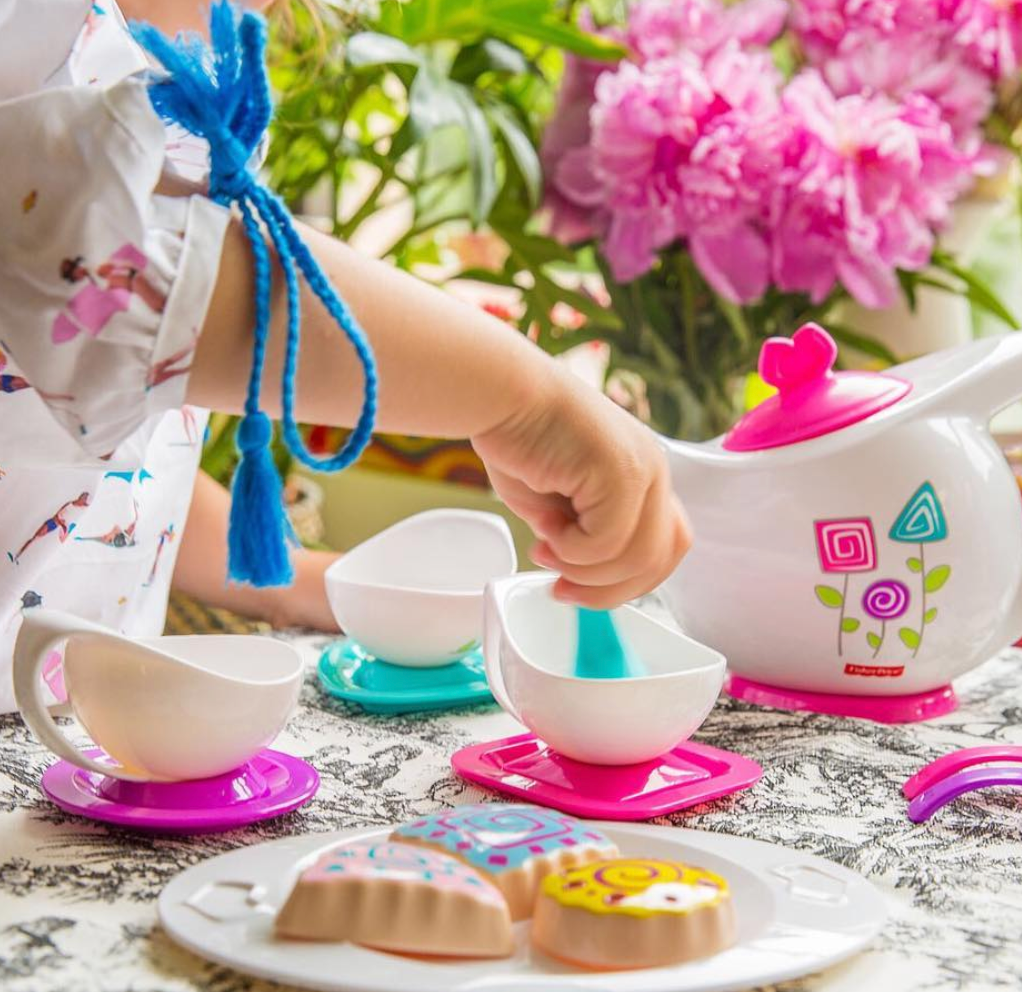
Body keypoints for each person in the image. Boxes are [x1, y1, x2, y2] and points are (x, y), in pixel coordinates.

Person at [0, 0, 690, 714]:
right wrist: (525, 401)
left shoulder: (192, 80)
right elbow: (113, 271)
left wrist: (301, 583)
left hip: (69, 726)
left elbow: (123, 460)